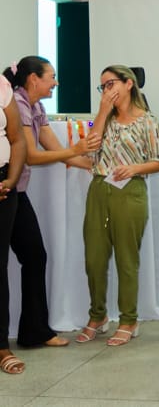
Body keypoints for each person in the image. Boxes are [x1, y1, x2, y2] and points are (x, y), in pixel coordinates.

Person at [2, 57, 99, 349]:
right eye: (52, 76)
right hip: (9, 189)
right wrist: (75, 150)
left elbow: (56, 150)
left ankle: (35, 331)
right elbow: (30, 155)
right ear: (34, 78)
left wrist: (91, 164)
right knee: (28, 257)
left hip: (17, 192)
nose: (56, 82)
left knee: (35, 256)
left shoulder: (37, 107)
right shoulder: (18, 104)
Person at [79, 65, 159, 347]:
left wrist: (135, 168)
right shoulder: (102, 119)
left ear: (128, 84)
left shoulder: (148, 120)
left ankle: (129, 319)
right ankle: (98, 316)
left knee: (127, 259)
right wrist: (103, 111)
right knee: (94, 258)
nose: (106, 90)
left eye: (111, 84)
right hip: (99, 188)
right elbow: (90, 149)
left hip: (130, 191)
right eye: (102, 86)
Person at [1, 74, 26, 374]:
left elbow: (17, 138)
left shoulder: (2, 86)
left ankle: (1, 346)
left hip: (3, 186)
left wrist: (10, 179)